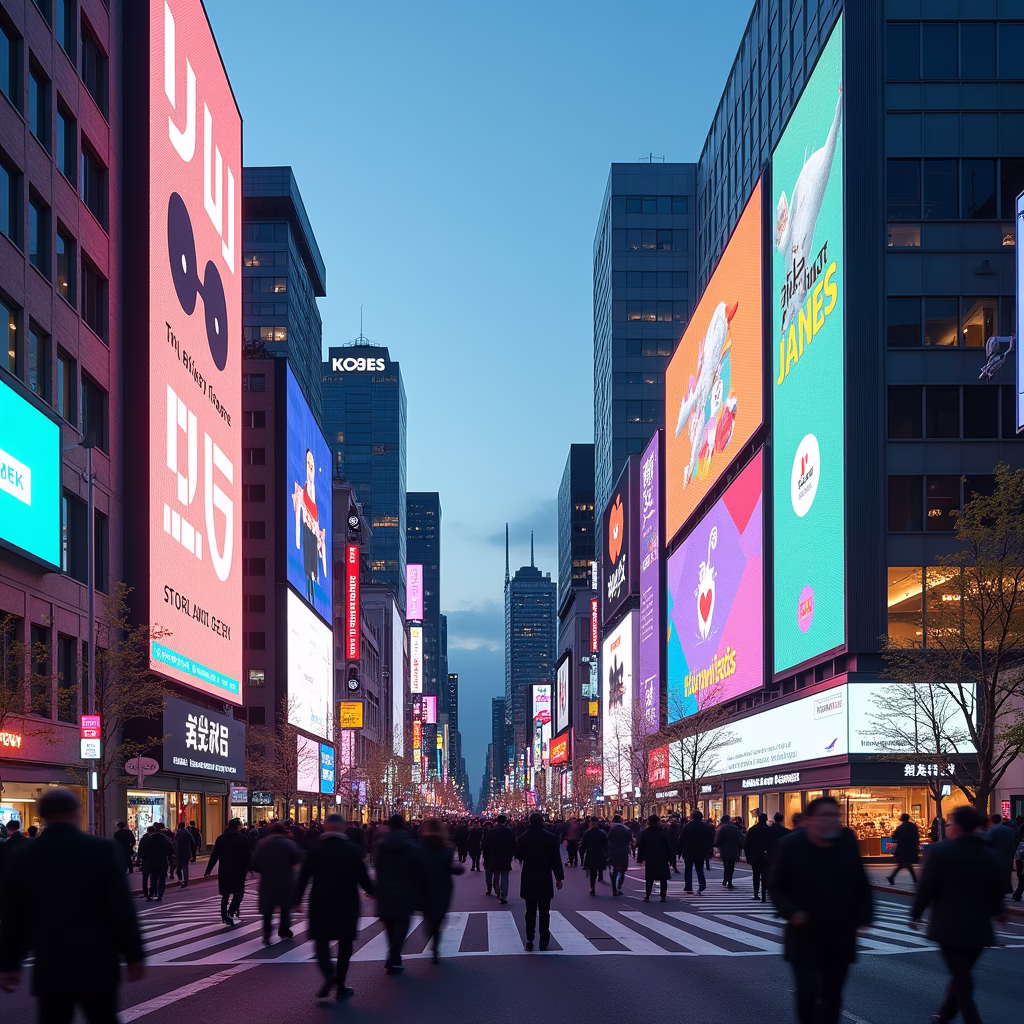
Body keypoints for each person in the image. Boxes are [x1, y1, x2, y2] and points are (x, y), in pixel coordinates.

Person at [0, 788, 145, 1021]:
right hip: (97, 960)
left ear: (43, 816)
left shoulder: (23, 855)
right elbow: (121, 907)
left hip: (51, 961)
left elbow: (14, 916)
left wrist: (9, 964)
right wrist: (134, 955)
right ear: (77, 813)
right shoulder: (102, 850)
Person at [768, 796, 873, 1024]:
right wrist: (791, 912)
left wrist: (865, 917)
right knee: (806, 993)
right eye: (825, 816)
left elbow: (862, 884)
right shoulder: (791, 846)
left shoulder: (847, 842)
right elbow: (775, 886)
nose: (831, 821)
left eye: (835, 816)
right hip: (804, 933)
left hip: (840, 933)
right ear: (810, 820)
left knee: (832, 994)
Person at [912, 805, 1005, 1024]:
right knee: (962, 977)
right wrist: (1000, 912)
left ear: (958, 827)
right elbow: (995, 889)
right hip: (980, 928)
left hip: (949, 927)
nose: (947, 827)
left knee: (962, 980)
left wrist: (916, 914)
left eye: (949, 823)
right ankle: (944, 1017)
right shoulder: (989, 854)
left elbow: (926, 887)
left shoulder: (941, 852)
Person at [296, 813, 374, 1001]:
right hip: (347, 901)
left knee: (321, 942)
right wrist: (373, 892)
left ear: (325, 827)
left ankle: (329, 976)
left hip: (320, 901)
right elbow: (363, 877)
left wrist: (295, 901)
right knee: (345, 943)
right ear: (344, 828)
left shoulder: (315, 849)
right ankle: (340, 985)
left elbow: (303, 878)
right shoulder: (353, 850)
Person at [374, 814, 421, 975]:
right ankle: (394, 956)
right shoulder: (411, 845)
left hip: (384, 889)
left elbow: (377, 867)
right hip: (405, 890)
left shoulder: (381, 845)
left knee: (389, 925)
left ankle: (394, 957)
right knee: (402, 924)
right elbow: (417, 869)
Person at [514, 812, 564, 951]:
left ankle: (530, 939)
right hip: (544, 876)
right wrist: (559, 878)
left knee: (530, 912)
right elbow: (556, 859)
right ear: (542, 821)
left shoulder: (523, 838)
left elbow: (518, 855)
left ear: (529, 822)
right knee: (544, 912)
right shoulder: (550, 838)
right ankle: (544, 941)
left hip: (529, 876)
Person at [418, 818, 465, 963]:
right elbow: (451, 868)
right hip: (442, 887)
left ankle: (431, 934)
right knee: (439, 916)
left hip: (424, 886)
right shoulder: (447, 848)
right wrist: (458, 869)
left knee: (428, 915)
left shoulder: (419, 848)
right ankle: (436, 945)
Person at [251, 823, 301, 944]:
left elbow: (254, 864)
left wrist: (264, 869)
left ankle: (267, 932)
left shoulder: (262, 844)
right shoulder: (289, 844)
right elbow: (296, 858)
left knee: (268, 909)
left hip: (267, 880)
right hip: (285, 879)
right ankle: (284, 929)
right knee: (285, 907)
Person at [205, 818, 252, 926]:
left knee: (225, 895)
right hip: (239, 870)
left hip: (224, 870)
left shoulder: (221, 839)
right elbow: (248, 856)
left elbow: (214, 856)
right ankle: (231, 911)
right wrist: (249, 868)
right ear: (238, 827)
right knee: (238, 893)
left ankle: (223, 915)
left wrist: (208, 870)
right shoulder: (243, 839)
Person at [637, 814, 675, 903]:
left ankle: (647, 895)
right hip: (662, 857)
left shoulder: (644, 833)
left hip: (650, 857)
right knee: (663, 878)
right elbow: (668, 847)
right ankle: (663, 896)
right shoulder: (662, 833)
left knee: (649, 878)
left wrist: (640, 858)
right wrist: (671, 858)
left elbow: (641, 846)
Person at [482, 814, 516, 904]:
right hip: (506, 856)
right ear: (505, 821)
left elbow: (485, 844)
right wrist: (512, 854)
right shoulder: (509, 831)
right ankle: (503, 894)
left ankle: (497, 891)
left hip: (494, 856)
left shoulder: (491, 832)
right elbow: (514, 843)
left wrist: (486, 855)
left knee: (496, 875)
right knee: (505, 876)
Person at [137, 822, 174, 901]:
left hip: (152, 861)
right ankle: (160, 894)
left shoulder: (149, 839)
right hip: (163, 861)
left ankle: (152, 893)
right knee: (162, 878)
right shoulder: (165, 840)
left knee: (153, 877)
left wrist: (144, 859)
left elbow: (143, 851)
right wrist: (170, 861)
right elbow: (171, 852)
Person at [679, 809, 713, 894]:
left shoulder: (687, 826)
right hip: (701, 850)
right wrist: (709, 850)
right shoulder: (706, 827)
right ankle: (702, 885)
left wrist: (679, 851)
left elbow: (681, 840)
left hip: (689, 850)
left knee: (688, 869)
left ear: (692, 817)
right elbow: (710, 840)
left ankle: (688, 886)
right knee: (700, 869)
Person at [985, 814, 1017, 896]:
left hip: (996, 857)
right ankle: (1006, 889)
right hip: (1008, 855)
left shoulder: (991, 831)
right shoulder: (1010, 830)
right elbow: (1014, 843)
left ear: (991, 821)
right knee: (1006, 875)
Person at [886, 812, 921, 886]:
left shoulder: (901, 827)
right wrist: (917, 845)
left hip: (903, 848)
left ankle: (892, 877)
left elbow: (894, 836)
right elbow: (917, 836)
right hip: (911, 847)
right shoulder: (913, 826)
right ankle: (914, 880)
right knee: (906, 864)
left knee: (904, 864)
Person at [744, 812, 772, 901]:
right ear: (766, 819)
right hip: (767, 856)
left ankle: (756, 893)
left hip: (755, 855)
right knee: (766, 874)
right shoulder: (770, 830)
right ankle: (765, 891)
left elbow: (747, 844)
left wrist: (748, 856)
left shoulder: (752, 830)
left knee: (756, 875)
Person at [579, 817, 608, 896]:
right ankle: (600, 876)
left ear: (590, 823)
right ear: (597, 823)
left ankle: (592, 888)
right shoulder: (601, 833)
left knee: (592, 872)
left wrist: (582, 852)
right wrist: (607, 854)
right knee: (600, 867)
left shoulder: (587, 833)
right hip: (600, 853)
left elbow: (583, 845)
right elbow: (605, 844)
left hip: (590, 854)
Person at [607, 814, 633, 897]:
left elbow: (608, 839)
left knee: (614, 871)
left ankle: (614, 888)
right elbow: (630, 840)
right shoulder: (627, 829)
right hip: (623, 852)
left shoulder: (611, 829)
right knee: (622, 871)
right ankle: (619, 888)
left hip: (613, 852)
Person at [714, 814, 742, 889]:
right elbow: (740, 840)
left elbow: (717, 841)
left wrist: (716, 845)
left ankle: (725, 879)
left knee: (726, 866)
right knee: (731, 866)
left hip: (724, 849)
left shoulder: (721, 828)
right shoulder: (735, 829)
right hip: (734, 849)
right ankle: (729, 881)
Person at [173, 822, 196, 888]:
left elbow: (175, 844)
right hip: (187, 853)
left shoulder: (178, 834)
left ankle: (180, 879)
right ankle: (186, 880)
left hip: (179, 853)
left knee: (178, 868)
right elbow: (193, 844)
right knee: (185, 866)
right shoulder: (188, 834)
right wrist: (193, 855)